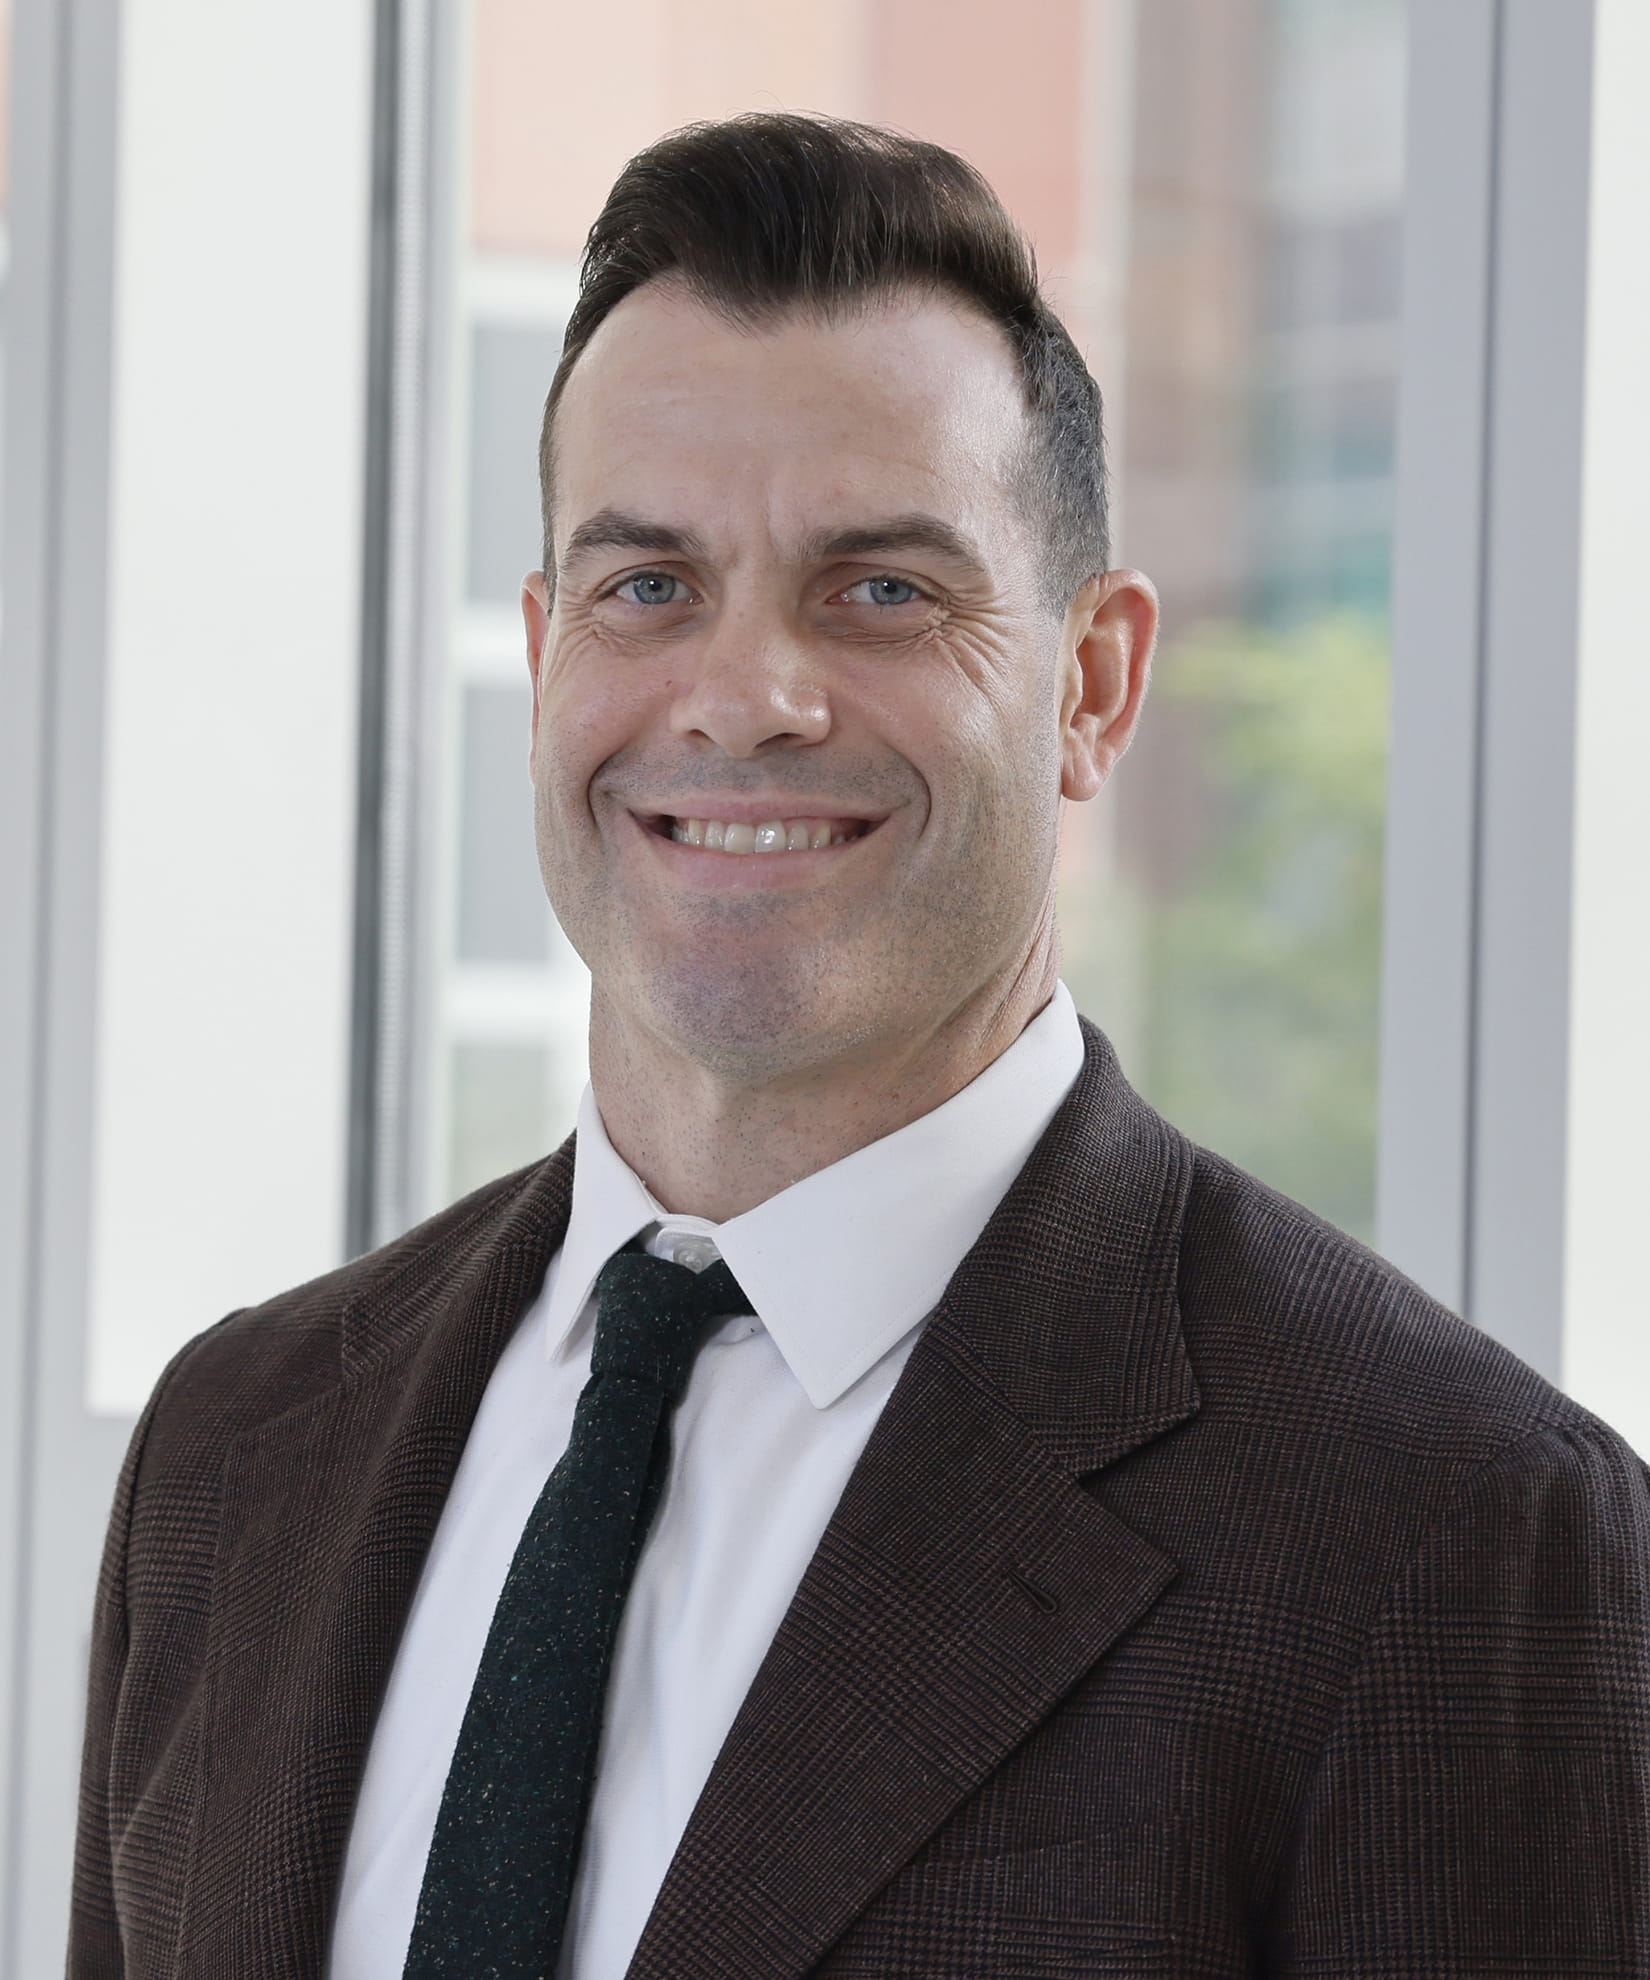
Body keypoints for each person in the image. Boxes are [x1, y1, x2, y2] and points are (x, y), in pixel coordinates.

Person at [70, 113, 1648, 1980]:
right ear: (542, 652)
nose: (745, 698)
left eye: (881, 589)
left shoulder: (1445, 1535)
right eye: (645, 586)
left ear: (1092, 682)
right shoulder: (235, 1453)